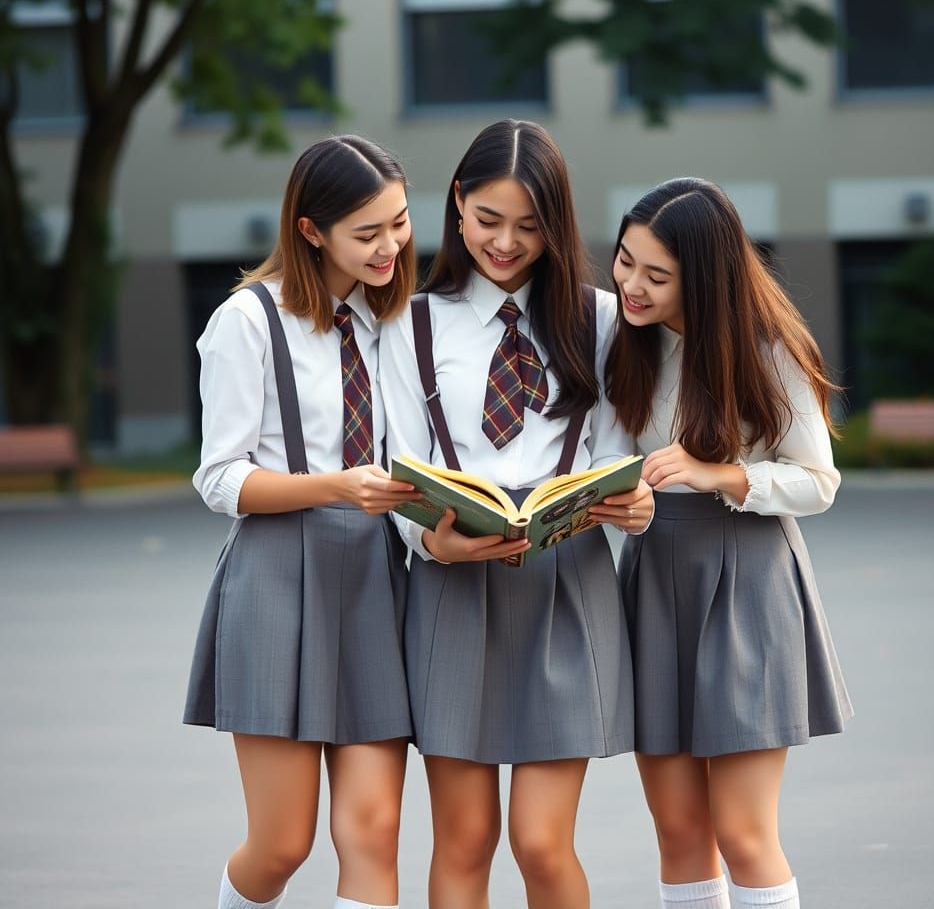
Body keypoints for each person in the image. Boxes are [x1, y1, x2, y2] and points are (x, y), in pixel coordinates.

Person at [378, 119, 653, 909]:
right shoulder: (408, 324)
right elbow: (397, 460)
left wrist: (630, 504)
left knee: (540, 841)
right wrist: (431, 544)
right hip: (451, 584)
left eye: (530, 226)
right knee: (464, 840)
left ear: (557, 225)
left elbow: (617, 448)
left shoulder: (601, 319)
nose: (506, 243)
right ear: (458, 205)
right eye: (490, 220)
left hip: (566, 582)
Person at [183, 135, 420, 909]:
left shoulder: (392, 320)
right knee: (283, 844)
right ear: (311, 230)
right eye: (367, 233)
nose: (389, 247)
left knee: (374, 829)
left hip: (374, 579)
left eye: (399, 223)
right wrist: (335, 487)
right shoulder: (246, 322)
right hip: (277, 578)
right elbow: (219, 478)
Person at [605, 178, 853, 909]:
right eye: (625, 262)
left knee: (743, 833)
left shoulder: (768, 350)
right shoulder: (628, 341)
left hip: (745, 575)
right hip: (654, 573)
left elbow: (818, 481)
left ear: (705, 278)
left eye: (657, 275)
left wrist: (718, 474)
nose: (632, 285)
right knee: (679, 830)